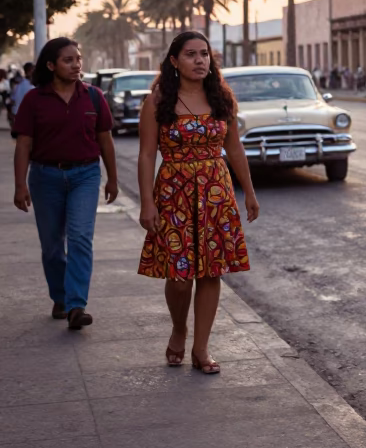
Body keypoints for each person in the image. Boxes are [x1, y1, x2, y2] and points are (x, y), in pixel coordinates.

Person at [137, 32, 259, 374]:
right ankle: (179, 328)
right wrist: (147, 203)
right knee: (178, 276)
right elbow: (147, 155)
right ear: (174, 61)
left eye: (204, 54)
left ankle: (201, 348)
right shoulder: (158, 101)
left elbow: (234, 148)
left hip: (216, 194)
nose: (200, 60)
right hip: (173, 193)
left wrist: (248, 191)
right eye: (191, 54)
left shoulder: (222, 97)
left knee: (211, 271)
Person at [11, 38, 119, 329]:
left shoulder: (93, 96)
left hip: (86, 176)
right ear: (51, 65)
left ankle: (75, 305)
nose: (76, 65)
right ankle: (60, 296)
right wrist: (20, 185)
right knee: (52, 247)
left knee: (81, 238)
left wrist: (112, 179)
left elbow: (105, 140)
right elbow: (24, 144)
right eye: (68, 60)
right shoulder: (34, 100)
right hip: (45, 178)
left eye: (78, 59)